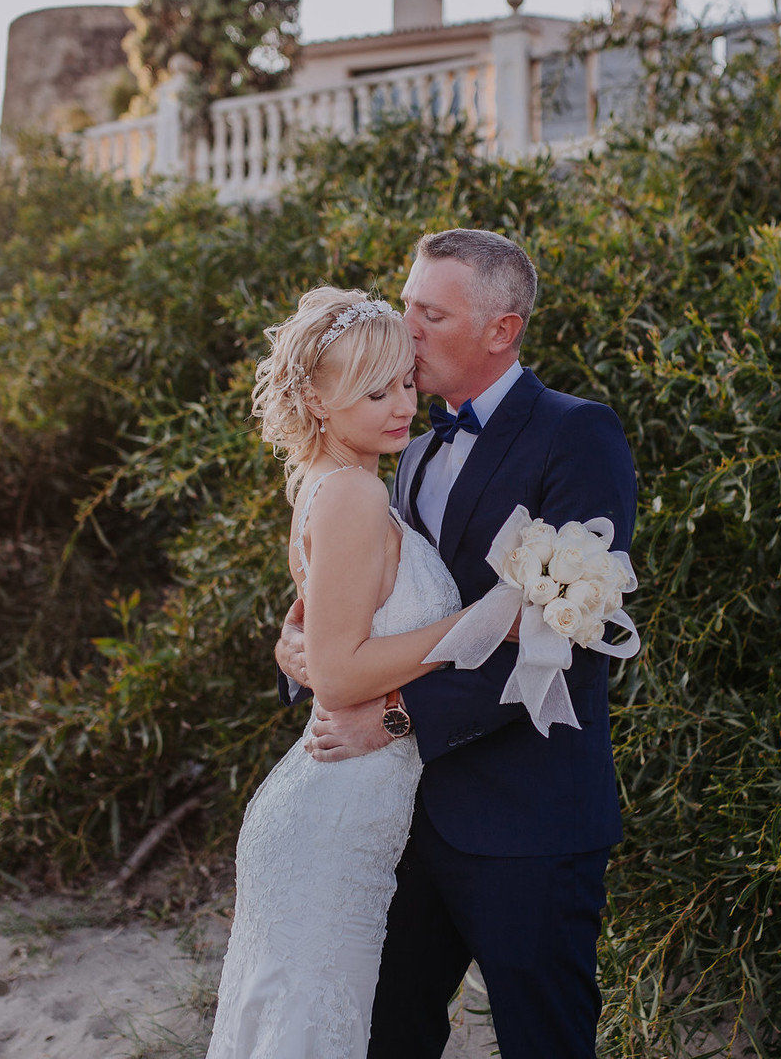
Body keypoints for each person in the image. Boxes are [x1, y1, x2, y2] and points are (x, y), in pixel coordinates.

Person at [277, 229, 637, 1059]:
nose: (406, 328)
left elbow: (562, 636)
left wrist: (396, 718)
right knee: (385, 1034)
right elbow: (365, 595)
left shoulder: (577, 435)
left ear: (500, 330)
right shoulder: (405, 442)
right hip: (403, 819)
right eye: (406, 304)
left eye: (430, 314)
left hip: (529, 819)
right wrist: (299, 652)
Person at [207, 287, 469, 1059]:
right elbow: (338, 674)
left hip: (336, 808)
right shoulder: (353, 493)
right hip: (333, 821)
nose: (401, 407)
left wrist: (296, 649)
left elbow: (311, 639)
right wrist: (478, 626)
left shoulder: (332, 483)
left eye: (405, 383)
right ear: (316, 399)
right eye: (374, 391)